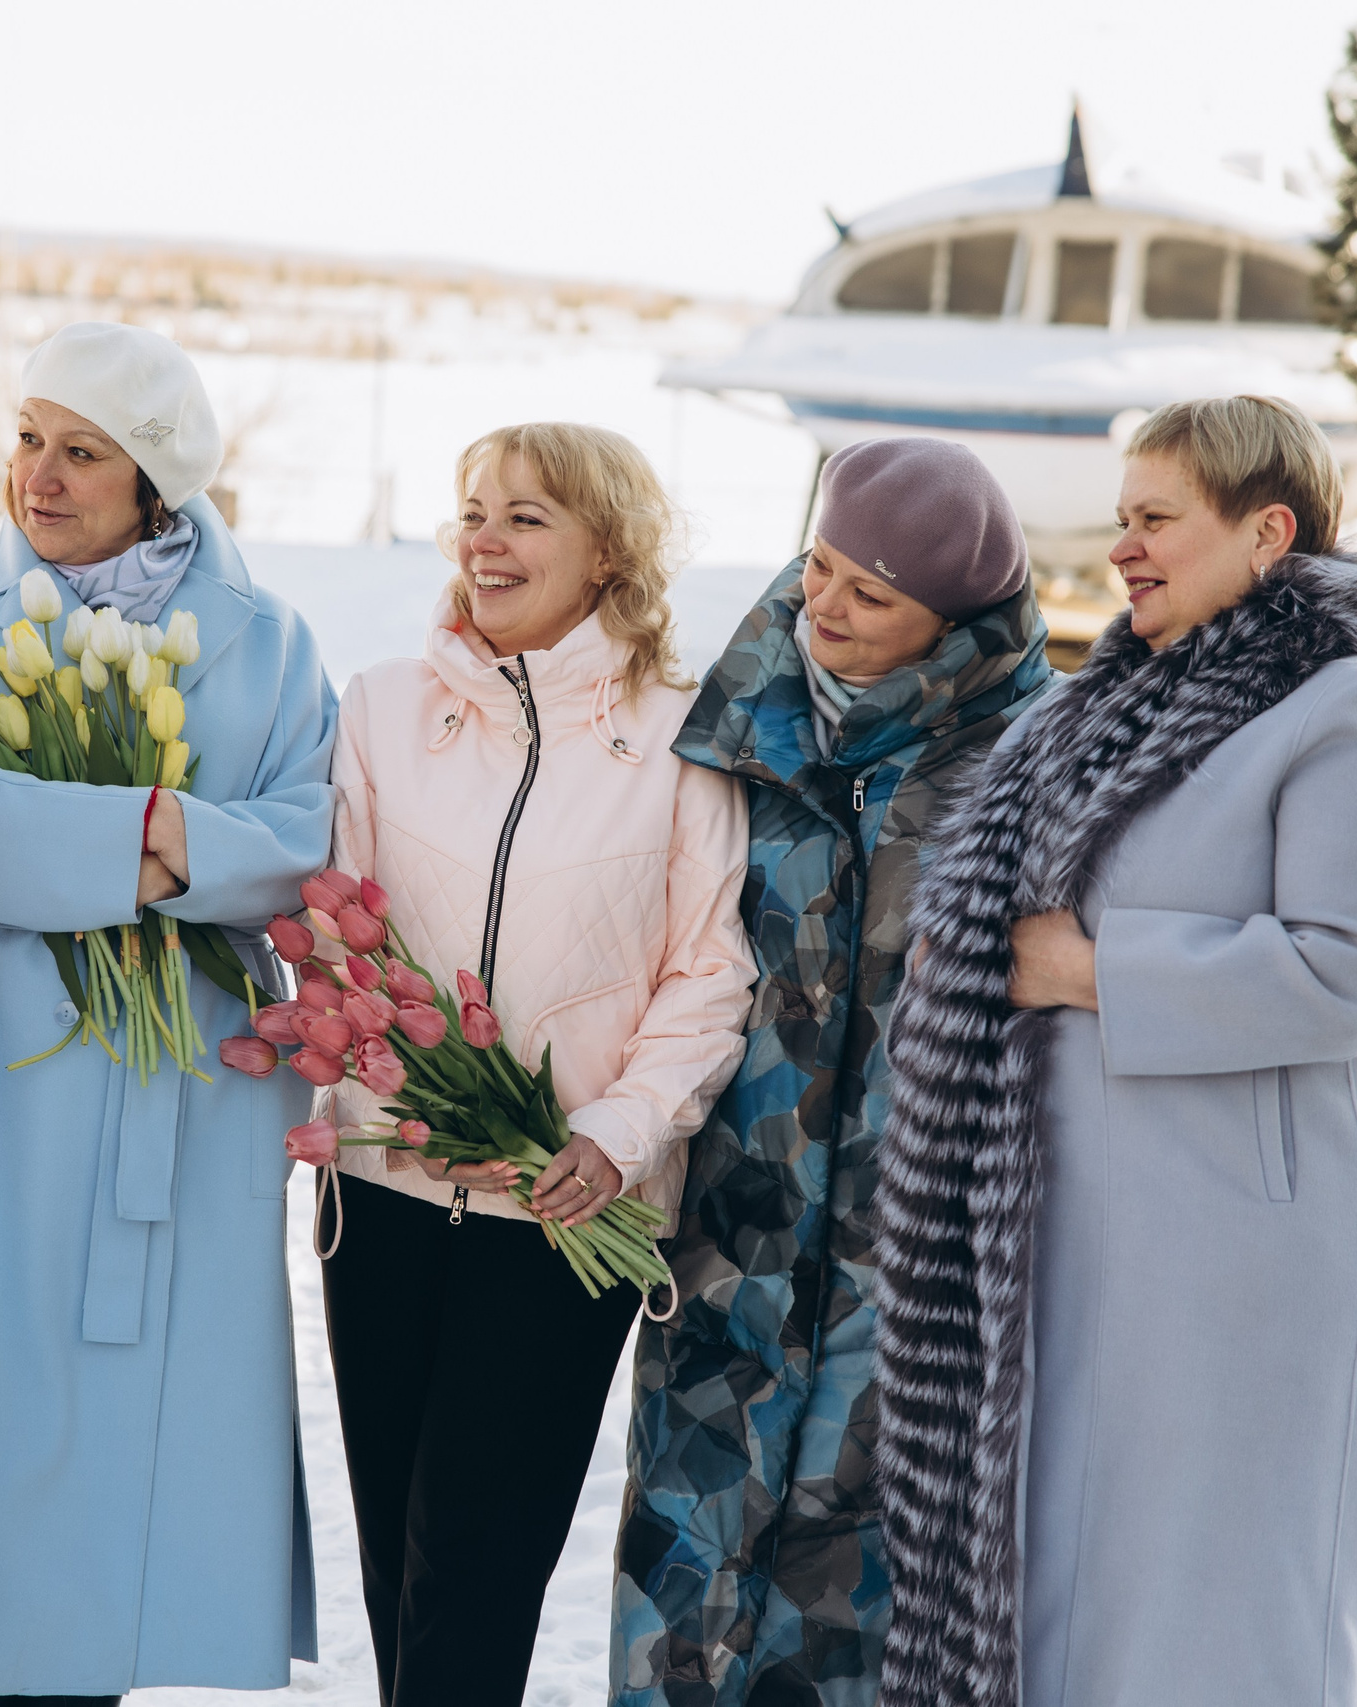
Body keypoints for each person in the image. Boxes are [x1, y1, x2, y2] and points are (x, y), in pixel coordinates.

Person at [871, 396, 1357, 1707]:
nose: (1122, 545)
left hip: (1254, 1227)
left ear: (1266, 531)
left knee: (1228, 1583)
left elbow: (1350, 968)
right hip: (1092, 1216)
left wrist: (1089, 967)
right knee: (1089, 1571)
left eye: (1153, 518)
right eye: (1119, 516)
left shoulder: (1346, 710)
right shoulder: (1104, 705)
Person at [0, 322, 334, 1703]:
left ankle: (100, 1671)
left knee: (149, 1431)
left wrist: (139, 848)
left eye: (83, 451)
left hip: (190, 1075)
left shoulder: (274, 639)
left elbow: (304, 837)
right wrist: (165, 838)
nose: (40, 475)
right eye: (27, 438)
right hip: (6, 1062)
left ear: (158, 480)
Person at [319, 422, 755, 1707]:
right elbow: (340, 921)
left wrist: (617, 1130)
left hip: (567, 1214)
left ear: (607, 549)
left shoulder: (683, 739)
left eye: (525, 517)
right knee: (397, 1561)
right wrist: (383, 1074)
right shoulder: (385, 707)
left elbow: (709, 971)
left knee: (476, 1562)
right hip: (386, 1191)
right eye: (472, 512)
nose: (484, 542)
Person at [615, 438, 1056, 1706]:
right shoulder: (736, 720)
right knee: (686, 1557)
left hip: (908, 1238)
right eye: (819, 566)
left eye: (871, 595)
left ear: (953, 619)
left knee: (856, 1577)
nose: (825, 607)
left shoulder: (1029, 755)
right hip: (729, 1218)